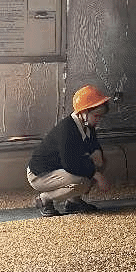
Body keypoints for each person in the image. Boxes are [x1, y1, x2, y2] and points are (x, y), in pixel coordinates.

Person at [27, 85, 112, 217]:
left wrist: (98, 157)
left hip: (61, 168)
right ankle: (44, 199)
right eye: (96, 116)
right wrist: (96, 175)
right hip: (40, 175)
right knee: (82, 181)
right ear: (83, 112)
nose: (99, 120)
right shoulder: (67, 129)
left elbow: (93, 148)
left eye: (101, 117)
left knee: (100, 162)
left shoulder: (88, 126)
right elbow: (70, 164)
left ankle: (73, 202)